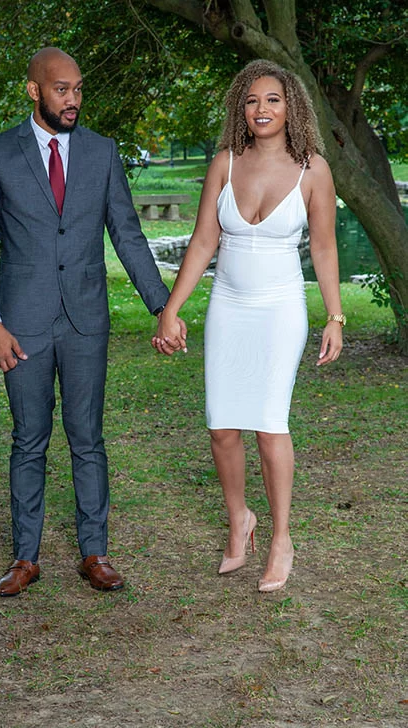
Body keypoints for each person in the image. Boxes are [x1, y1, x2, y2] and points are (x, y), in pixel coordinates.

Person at [0, 47, 182, 596]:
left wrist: (163, 306)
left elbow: (127, 234)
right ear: (34, 90)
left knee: (88, 438)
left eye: (79, 89)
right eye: (62, 89)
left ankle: (95, 553)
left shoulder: (102, 152)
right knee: (29, 439)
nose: (73, 99)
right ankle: (25, 558)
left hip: (86, 320)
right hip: (21, 323)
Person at [152, 60, 344, 592]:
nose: (262, 109)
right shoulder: (225, 164)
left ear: (291, 108)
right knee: (221, 426)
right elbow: (203, 242)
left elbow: (325, 248)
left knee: (269, 424)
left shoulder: (313, 170)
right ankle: (240, 518)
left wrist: (334, 316)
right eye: (252, 100)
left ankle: (281, 539)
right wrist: (171, 308)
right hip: (228, 305)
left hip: (280, 309)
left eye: (273, 100)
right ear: (242, 108)